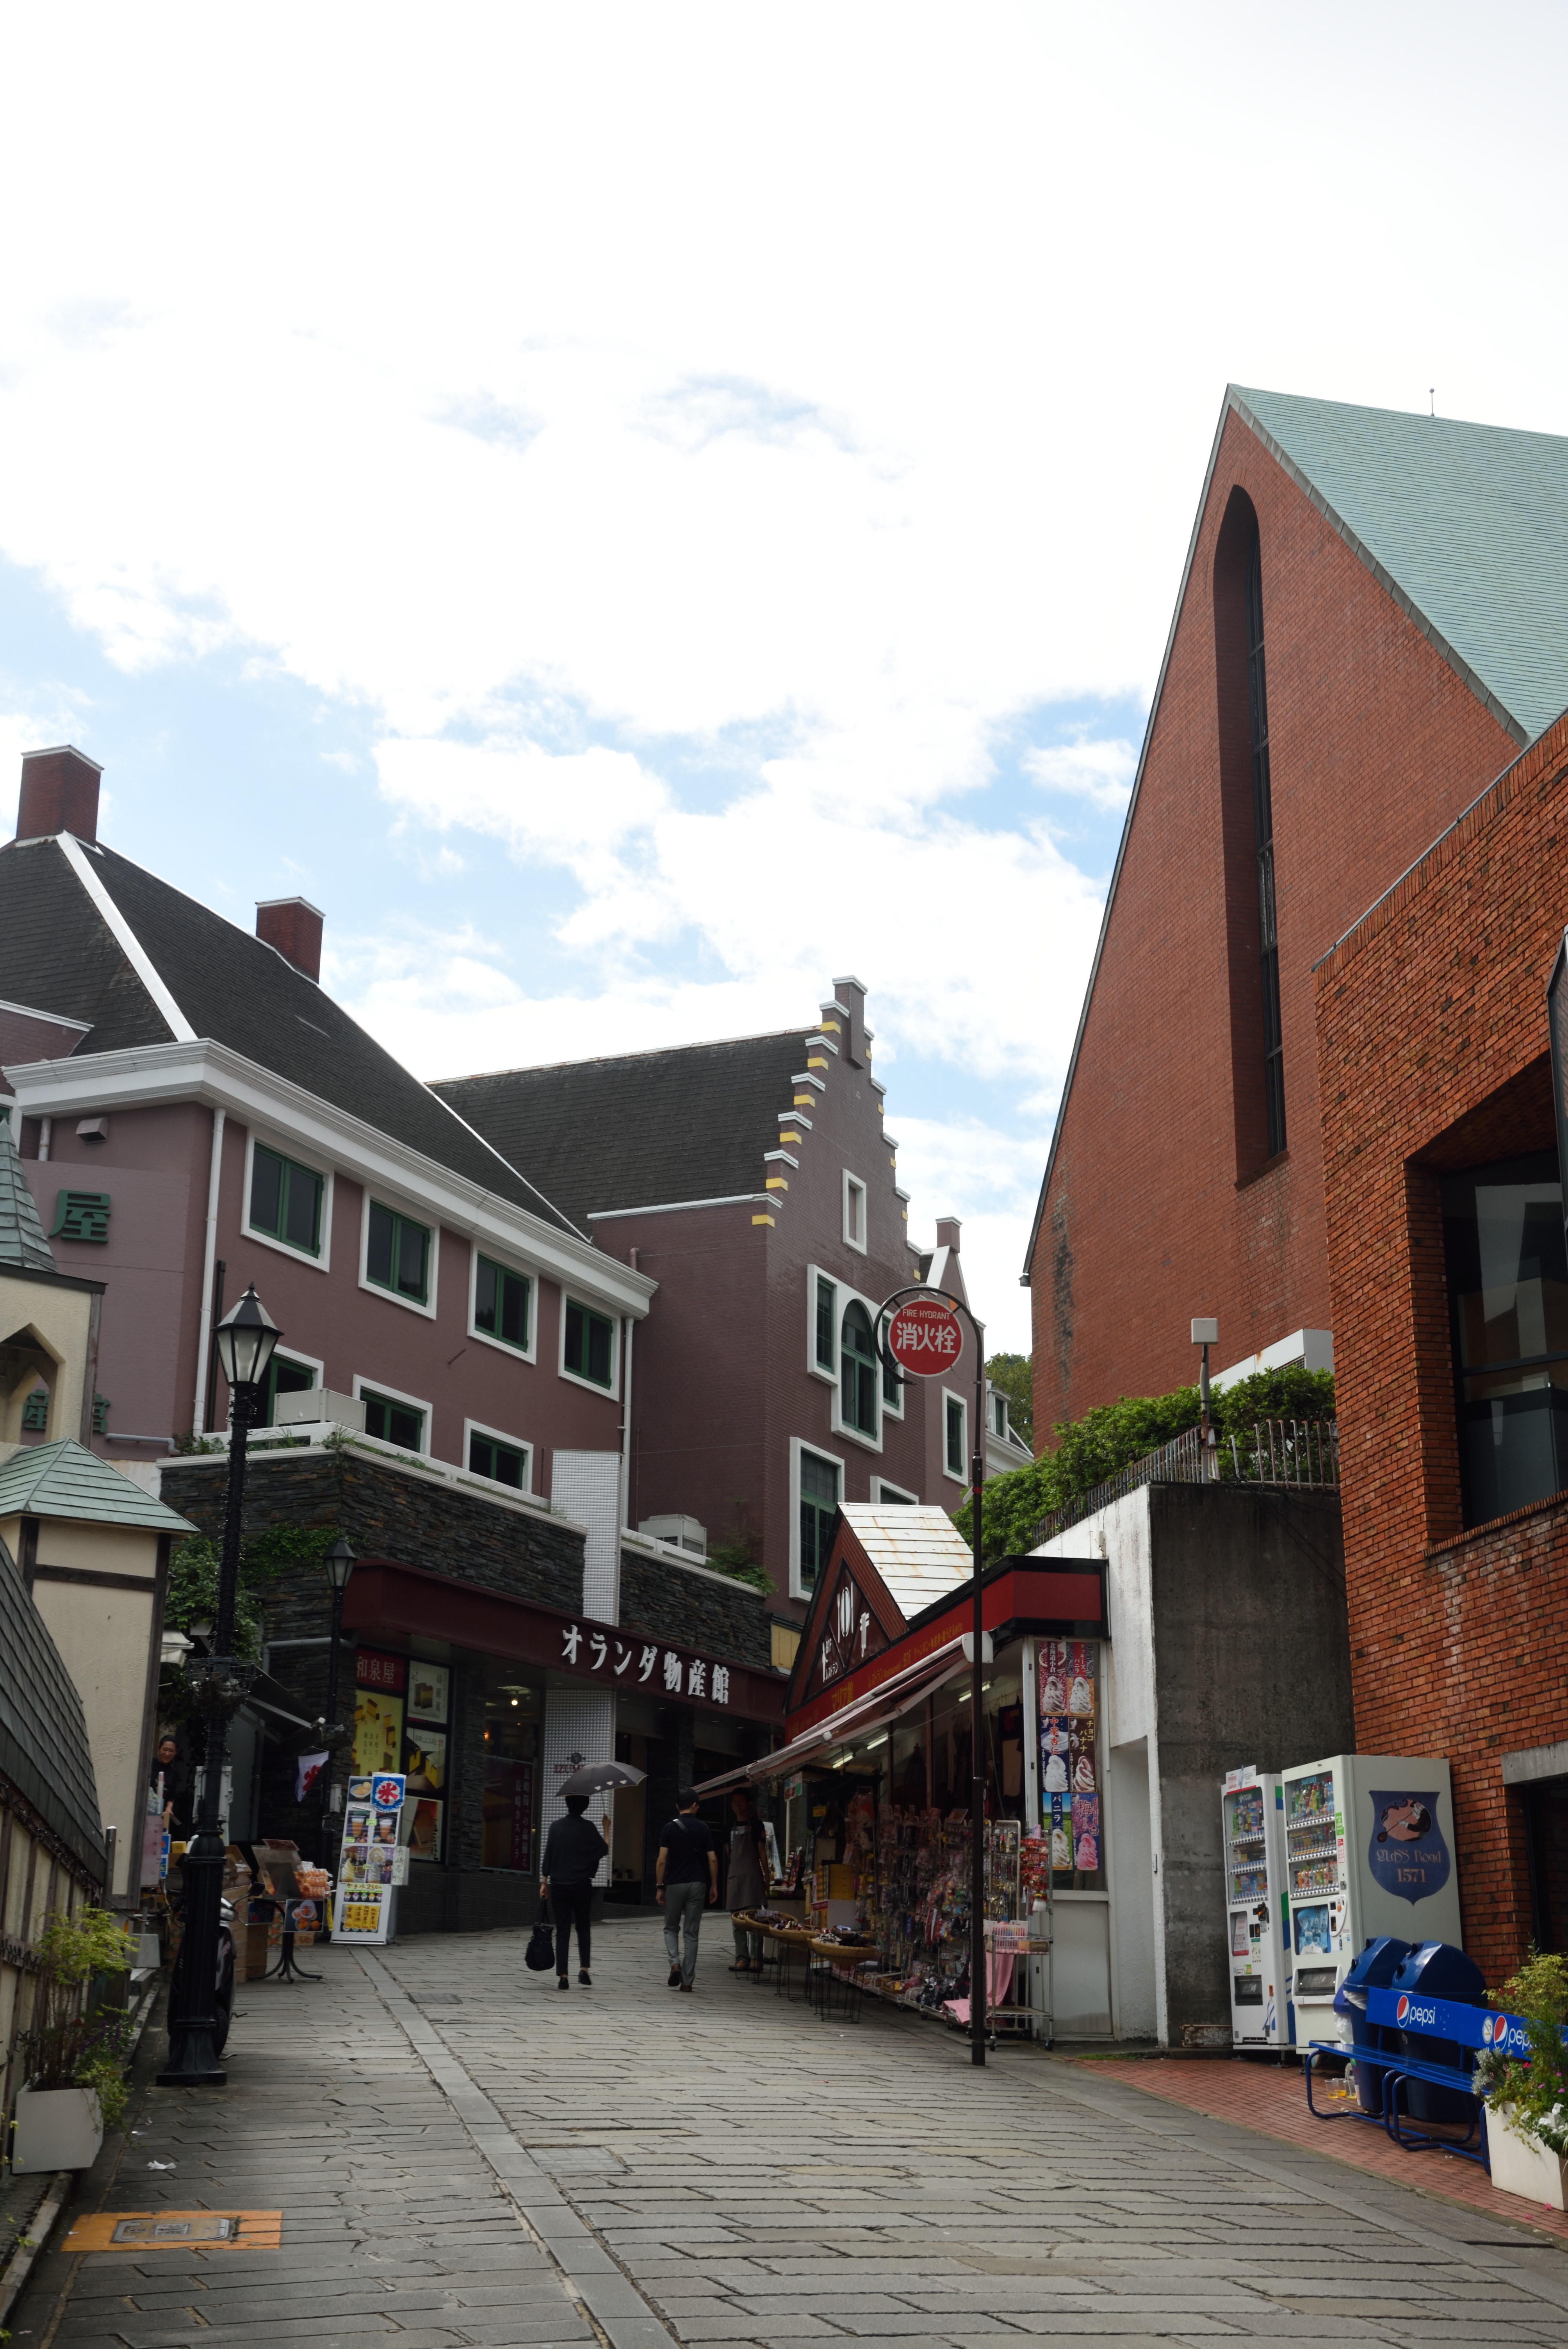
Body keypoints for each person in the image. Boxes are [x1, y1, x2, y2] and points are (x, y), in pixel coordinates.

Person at [539, 1795, 611, 1988]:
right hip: (582, 1885)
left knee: (563, 1930)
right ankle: (584, 1970)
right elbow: (604, 1850)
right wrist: (606, 1828)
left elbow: (549, 1855)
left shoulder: (555, 1827)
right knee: (583, 1926)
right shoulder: (589, 1828)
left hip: (559, 1886)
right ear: (585, 1806)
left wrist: (544, 1882)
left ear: (567, 1804)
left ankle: (563, 1976)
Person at [655, 1791, 716, 1991]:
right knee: (691, 1933)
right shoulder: (704, 1828)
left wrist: (659, 1887)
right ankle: (688, 1982)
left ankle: (675, 1963)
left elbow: (662, 1860)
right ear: (695, 1806)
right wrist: (714, 1885)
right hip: (697, 1884)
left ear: (677, 1807)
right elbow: (712, 1859)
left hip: (674, 1884)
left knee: (671, 1928)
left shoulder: (669, 1828)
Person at [725, 1789, 768, 1976]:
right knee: (737, 1921)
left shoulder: (757, 1825)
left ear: (748, 1803)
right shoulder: (729, 1826)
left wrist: (767, 1877)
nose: (737, 1804)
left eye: (741, 1800)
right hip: (735, 1877)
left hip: (753, 1877)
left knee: (755, 1920)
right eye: (734, 1801)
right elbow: (728, 1853)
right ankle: (741, 1959)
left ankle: (757, 1959)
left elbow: (762, 1852)